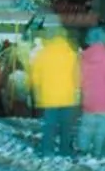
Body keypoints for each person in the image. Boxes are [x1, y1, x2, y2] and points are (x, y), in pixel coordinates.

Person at [28, 26, 81, 157]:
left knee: (49, 126)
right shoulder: (72, 55)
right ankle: (65, 150)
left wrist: (36, 91)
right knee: (66, 126)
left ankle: (47, 150)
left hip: (49, 97)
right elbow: (78, 76)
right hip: (67, 97)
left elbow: (35, 77)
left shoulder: (42, 54)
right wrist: (77, 90)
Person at [79, 29, 105, 157]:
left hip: (88, 100)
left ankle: (83, 149)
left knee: (86, 127)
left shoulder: (83, 59)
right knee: (103, 128)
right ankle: (99, 152)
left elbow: (77, 79)